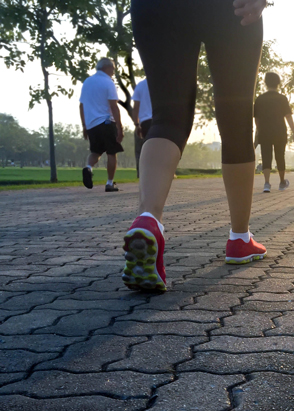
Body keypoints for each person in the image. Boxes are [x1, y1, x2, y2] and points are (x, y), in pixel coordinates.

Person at [122, 0, 268, 292]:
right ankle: (240, 239)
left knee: (167, 118)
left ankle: (148, 219)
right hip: (230, 7)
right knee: (236, 120)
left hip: (155, 8)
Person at [79, 58, 124, 192]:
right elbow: (114, 106)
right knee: (112, 152)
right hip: (106, 121)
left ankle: (88, 168)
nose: (113, 72)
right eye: (113, 69)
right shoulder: (108, 82)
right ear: (108, 68)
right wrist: (120, 127)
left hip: (91, 123)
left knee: (95, 152)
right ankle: (110, 183)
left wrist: (84, 125)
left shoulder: (87, 82)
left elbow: (81, 106)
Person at [254, 72, 294, 193]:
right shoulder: (282, 99)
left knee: (266, 156)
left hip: (264, 131)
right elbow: (288, 117)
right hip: (280, 131)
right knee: (280, 156)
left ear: (265, 83)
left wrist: (258, 130)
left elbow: (256, 118)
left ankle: (267, 183)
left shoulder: (260, 99)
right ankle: (282, 182)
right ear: (278, 83)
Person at [132, 78, 152, 178]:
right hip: (160, 121)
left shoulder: (140, 85)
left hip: (145, 122)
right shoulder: (163, 83)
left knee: (144, 149)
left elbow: (136, 108)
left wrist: (136, 124)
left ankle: (143, 174)